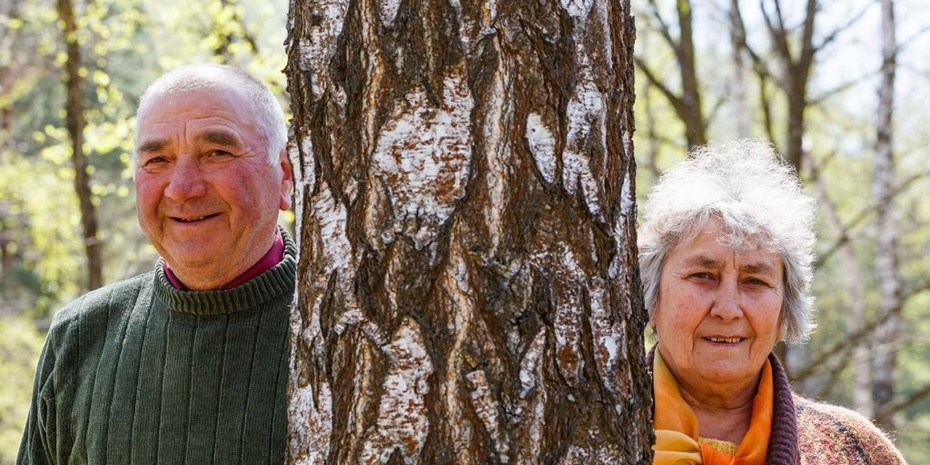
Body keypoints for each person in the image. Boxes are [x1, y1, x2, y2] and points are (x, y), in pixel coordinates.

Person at [18, 63, 295, 464]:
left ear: (285, 176)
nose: (182, 189)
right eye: (157, 160)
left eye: (217, 153)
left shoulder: (344, 330)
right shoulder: (79, 337)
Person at [638, 140, 906, 465]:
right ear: (652, 298)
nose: (727, 309)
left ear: (785, 312)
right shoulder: (589, 429)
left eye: (754, 281)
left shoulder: (856, 450)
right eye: (703, 276)